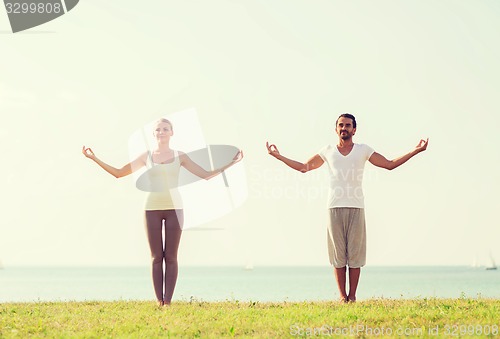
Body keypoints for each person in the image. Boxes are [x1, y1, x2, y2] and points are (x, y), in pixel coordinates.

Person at [266, 113, 428, 303]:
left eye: (348, 125)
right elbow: (304, 167)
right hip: (334, 207)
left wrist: (416, 151)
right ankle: (343, 297)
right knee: (338, 255)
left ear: (354, 129)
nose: (344, 128)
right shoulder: (327, 151)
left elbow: (389, 164)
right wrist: (277, 156)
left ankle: (353, 296)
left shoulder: (363, 150)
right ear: (336, 129)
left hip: (356, 207)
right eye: (341, 125)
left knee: (355, 255)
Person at [82, 118, 243, 306]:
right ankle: (159, 301)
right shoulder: (146, 156)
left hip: (175, 208)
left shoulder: (180, 156)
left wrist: (231, 164)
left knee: (171, 256)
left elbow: (206, 175)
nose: (162, 132)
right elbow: (118, 173)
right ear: (153, 134)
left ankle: (168, 302)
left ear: (172, 132)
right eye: (158, 129)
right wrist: (94, 158)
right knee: (156, 257)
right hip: (151, 208)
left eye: (166, 129)